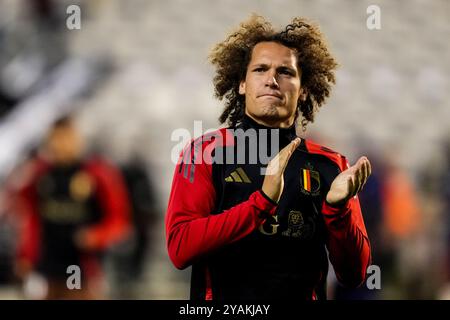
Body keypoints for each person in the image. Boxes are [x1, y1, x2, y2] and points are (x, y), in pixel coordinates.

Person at [165, 15, 372, 300]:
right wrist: (261, 204)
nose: (272, 80)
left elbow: (354, 274)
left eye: (286, 72)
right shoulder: (202, 153)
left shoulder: (331, 165)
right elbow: (180, 248)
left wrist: (338, 211)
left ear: (304, 91)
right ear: (241, 84)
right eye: (260, 69)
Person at [12, 116, 131, 299]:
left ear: (78, 139)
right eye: (56, 138)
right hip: (46, 265)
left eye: (67, 138)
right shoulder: (39, 174)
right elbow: (28, 214)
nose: (61, 145)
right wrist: (25, 254)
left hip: (81, 266)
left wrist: (95, 236)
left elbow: (119, 220)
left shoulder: (97, 174)